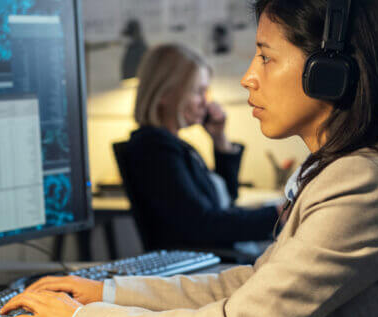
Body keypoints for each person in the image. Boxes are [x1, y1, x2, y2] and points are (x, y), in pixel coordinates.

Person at [0, 0, 378, 317]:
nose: (249, 76)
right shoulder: (345, 170)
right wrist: (107, 292)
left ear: (330, 72)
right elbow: (248, 287)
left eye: (265, 56)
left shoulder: (361, 182)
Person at [118, 43, 283, 258]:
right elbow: (203, 225)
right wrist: (277, 216)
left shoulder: (175, 146)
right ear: (166, 94)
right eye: (199, 91)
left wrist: (219, 138)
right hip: (204, 260)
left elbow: (226, 200)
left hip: (216, 252)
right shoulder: (155, 150)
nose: (206, 103)